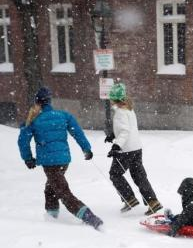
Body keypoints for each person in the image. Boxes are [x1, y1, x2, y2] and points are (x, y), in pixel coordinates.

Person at [17, 87, 103, 229]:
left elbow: (22, 141)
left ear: (37, 102)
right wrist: (86, 148)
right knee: (51, 188)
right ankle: (52, 218)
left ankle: (89, 217)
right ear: (49, 101)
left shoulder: (33, 119)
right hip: (64, 159)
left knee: (63, 192)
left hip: (49, 162)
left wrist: (28, 158)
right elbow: (77, 132)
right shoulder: (63, 115)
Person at [105, 83, 163, 215]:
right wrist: (113, 135)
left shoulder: (120, 112)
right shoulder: (129, 109)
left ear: (114, 99)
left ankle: (129, 198)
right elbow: (128, 128)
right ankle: (153, 202)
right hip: (136, 148)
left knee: (115, 174)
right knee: (139, 176)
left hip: (126, 150)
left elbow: (125, 131)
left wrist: (116, 145)